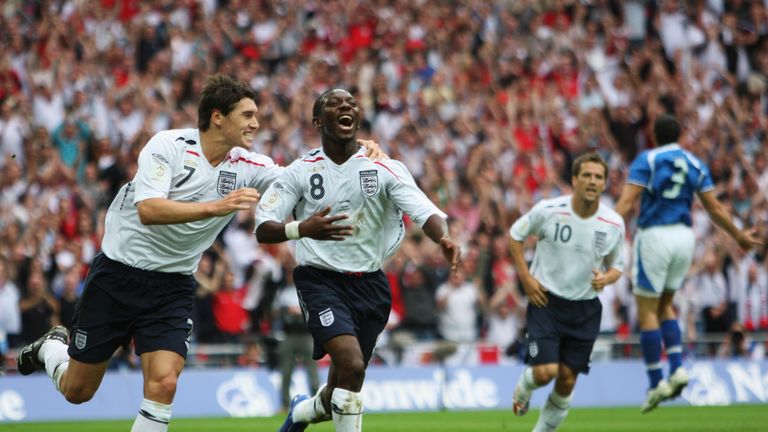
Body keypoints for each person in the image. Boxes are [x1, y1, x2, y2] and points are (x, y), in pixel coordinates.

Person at [15, 75, 384, 432]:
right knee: (78, 391)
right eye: (248, 115)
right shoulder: (168, 146)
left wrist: (348, 148)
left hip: (172, 286)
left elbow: (302, 178)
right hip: (117, 277)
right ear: (217, 117)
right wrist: (216, 207)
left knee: (164, 384)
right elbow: (150, 209)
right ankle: (51, 348)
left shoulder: (249, 165)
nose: (256, 123)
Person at [255, 88, 461, 432]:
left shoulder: (383, 167)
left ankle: (302, 413)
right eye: (335, 104)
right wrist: (302, 228)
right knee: (351, 364)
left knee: (344, 384)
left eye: (351, 104)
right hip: (319, 280)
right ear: (318, 120)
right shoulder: (300, 171)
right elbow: (263, 227)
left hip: (370, 284)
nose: (346, 107)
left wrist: (444, 238)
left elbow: (423, 210)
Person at [614, 113, 763, 413]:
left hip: (655, 234)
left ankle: (656, 382)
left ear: (654, 134)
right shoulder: (695, 163)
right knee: (666, 304)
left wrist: (605, 227)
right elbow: (715, 207)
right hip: (685, 237)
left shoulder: (648, 159)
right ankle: (678, 367)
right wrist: (738, 235)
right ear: (680, 135)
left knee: (647, 311)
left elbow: (628, 201)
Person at [509, 151, 625, 432]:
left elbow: (617, 266)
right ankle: (523, 389)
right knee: (546, 372)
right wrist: (525, 278)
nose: (592, 181)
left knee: (566, 381)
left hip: (584, 308)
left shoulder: (613, 224)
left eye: (598, 177)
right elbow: (515, 235)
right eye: (586, 175)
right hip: (545, 301)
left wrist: (606, 279)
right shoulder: (549, 210)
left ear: (605, 183)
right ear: (574, 179)